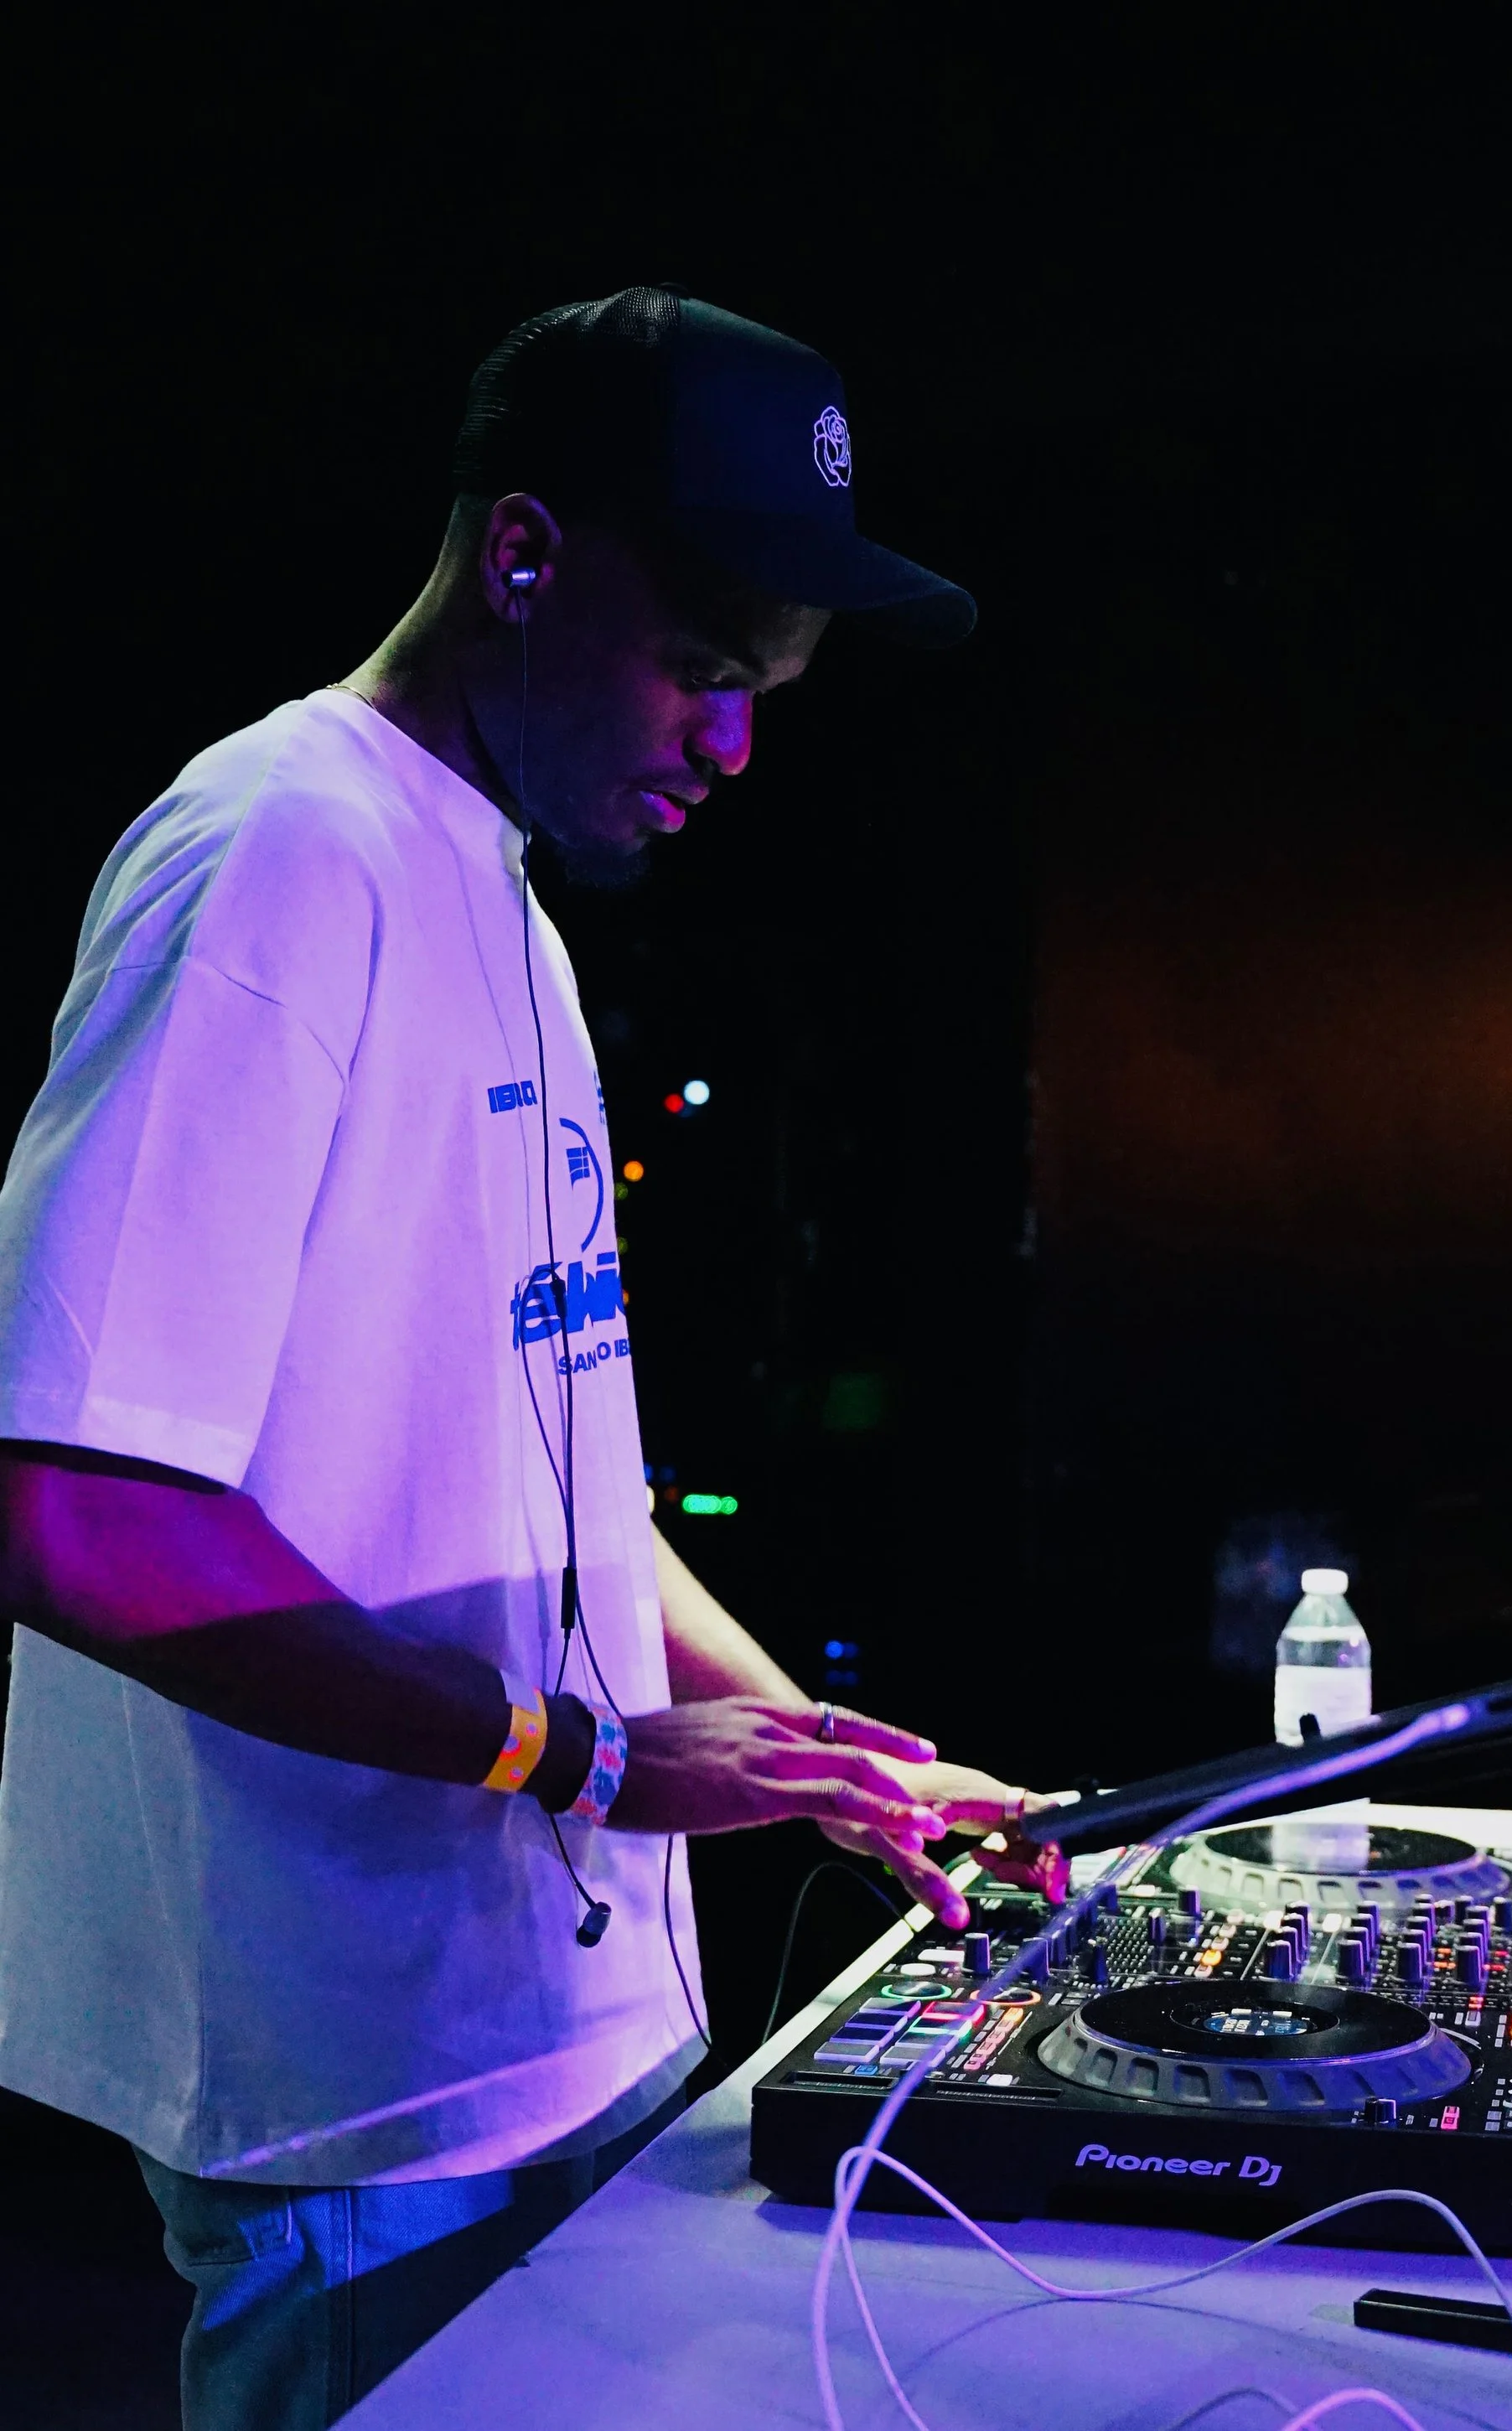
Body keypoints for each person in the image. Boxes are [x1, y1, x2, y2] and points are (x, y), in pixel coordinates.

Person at [0, 287, 1059, 2428]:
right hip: (359, 2088)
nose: (733, 747)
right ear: (521, 558)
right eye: (702, 670)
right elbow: (72, 1504)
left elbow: (564, 1486)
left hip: (558, 2043)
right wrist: (567, 1759)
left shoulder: (512, 907)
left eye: (767, 692)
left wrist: (825, 1757)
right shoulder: (277, 849)